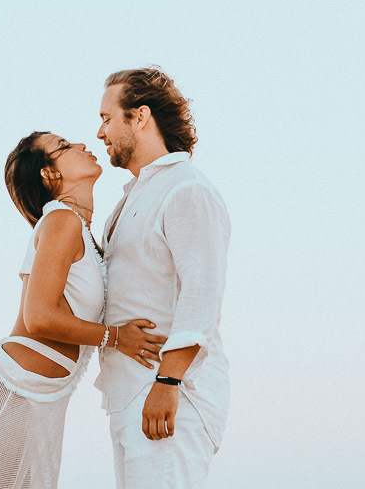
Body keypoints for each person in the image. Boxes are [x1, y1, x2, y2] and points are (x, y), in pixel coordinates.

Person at [0, 131, 167, 489]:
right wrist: (117, 338)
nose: (82, 146)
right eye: (65, 147)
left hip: (38, 398)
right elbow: (40, 317)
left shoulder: (82, 231)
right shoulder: (62, 221)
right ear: (49, 174)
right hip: (6, 392)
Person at [94, 68, 231, 488]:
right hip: (129, 395)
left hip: (171, 397)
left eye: (106, 118)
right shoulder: (133, 198)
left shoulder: (186, 189)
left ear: (139, 116)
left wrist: (167, 381)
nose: (100, 133)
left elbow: (201, 294)